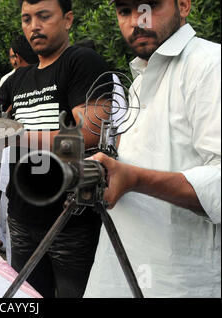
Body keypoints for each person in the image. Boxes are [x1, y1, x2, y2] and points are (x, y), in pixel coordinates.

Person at [84, 0, 220, 298]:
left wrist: (135, 179)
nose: (136, 21)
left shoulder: (211, 65)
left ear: (183, 6)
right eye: (124, 11)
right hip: (121, 265)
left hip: (180, 281)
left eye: (149, 6)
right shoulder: (138, 82)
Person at [0, 0, 112, 297]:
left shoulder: (82, 62)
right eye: (26, 19)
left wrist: (15, 137)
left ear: (67, 20)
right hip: (21, 214)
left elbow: (88, 135)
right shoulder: (18, 79)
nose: (34, 26)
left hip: (70, 217)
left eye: (43, 16)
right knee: (28, 294)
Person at [0, 34, 39, 264]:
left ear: (18, 57)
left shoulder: (13, 79)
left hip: (20, 159)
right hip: (28, 163)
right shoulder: (11, 80)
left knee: (14, 219)